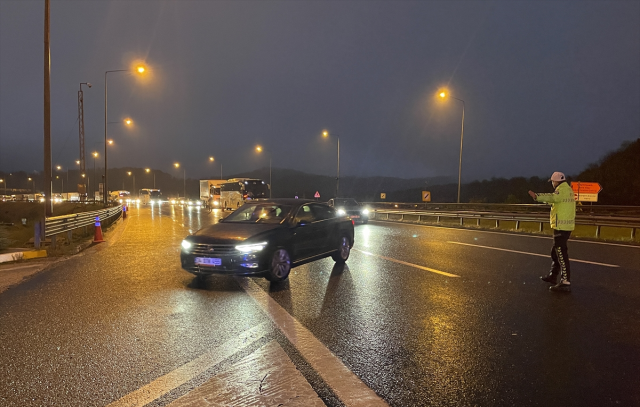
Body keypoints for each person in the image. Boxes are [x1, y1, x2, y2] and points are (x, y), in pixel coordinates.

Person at [528, 172, 576, 292]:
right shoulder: (567, 190)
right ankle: (553, 276)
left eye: (552, 182)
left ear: (555, 181)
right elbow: (555, 200)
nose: (552, 184)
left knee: (560, 253)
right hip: (565, 226)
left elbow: (552, 198)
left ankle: (565, 281)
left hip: (561, 227)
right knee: (555, 252)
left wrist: (537, 196)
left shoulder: (561, 190)